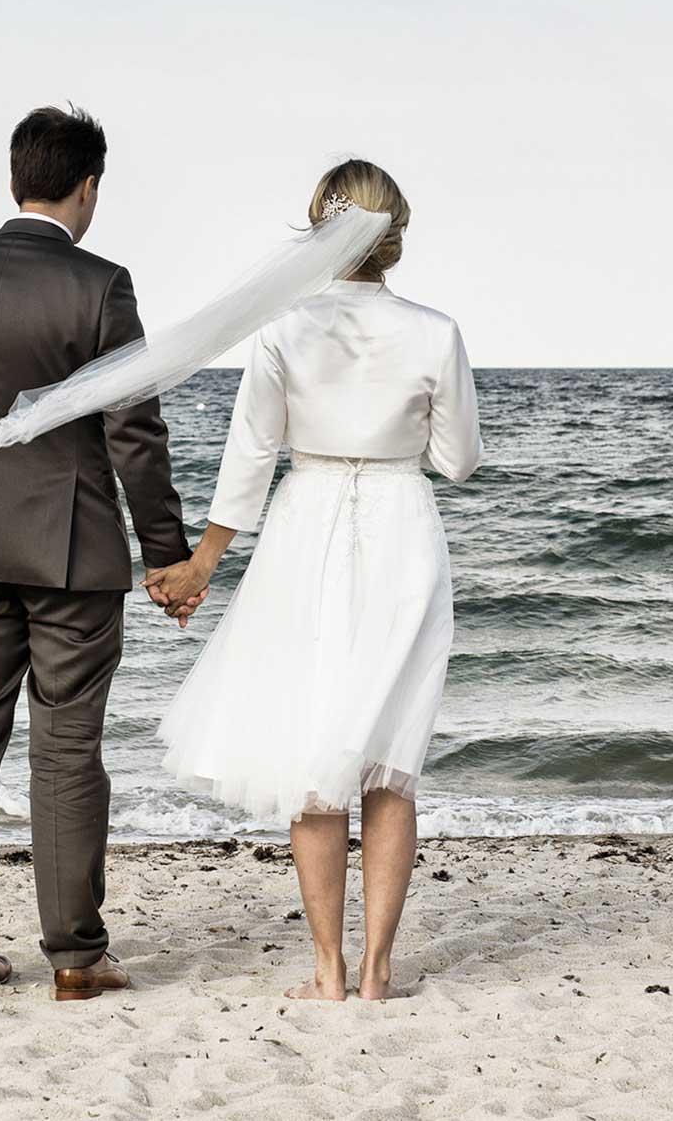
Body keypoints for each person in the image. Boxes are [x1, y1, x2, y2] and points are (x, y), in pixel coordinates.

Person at [146, 158, 482, 1002]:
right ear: (396, 238)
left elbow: (250, 462)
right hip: (403, 528)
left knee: (317, 751)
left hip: (307, 526)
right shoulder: (436, 331)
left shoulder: (285, 331)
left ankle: (327, 971)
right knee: (390, 762)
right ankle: (378, 974)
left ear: (319, 230)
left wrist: (202, 565)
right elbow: (459, 462)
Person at [0, 106, 192, 1001]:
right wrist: (167, 554)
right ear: (89, 185)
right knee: (67, 751)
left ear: (15, 178)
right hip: (70, 555)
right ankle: (75, 956)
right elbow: (133, 432)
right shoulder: (101, 286)